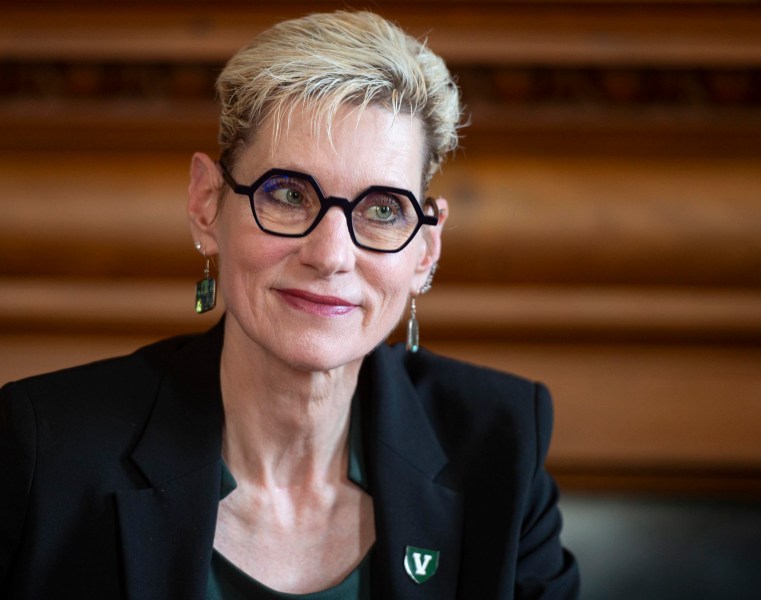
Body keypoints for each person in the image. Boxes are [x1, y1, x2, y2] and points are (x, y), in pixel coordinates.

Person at [0, 10, 578, 599]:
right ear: (206, 205)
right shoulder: (47, 452)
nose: (330, 255)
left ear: (425, 249)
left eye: (382, 210)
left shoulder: (500, 447)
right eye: (288, 194)